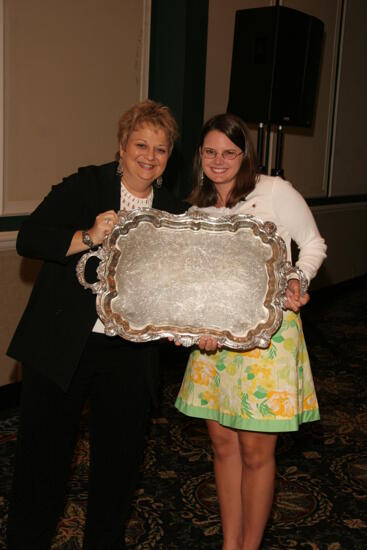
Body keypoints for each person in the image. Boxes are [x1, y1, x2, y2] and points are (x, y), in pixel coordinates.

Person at [6, 99, 187, 549]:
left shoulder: (174, 212)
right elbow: (29, 238)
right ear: (121, 147)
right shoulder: (86, 185)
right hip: (64, 345)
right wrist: (87, 236)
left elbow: (180, 286)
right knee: (41, 467)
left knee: (118, 472)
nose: (149, 156)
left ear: (168, 159)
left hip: (129, 354)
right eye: (140, 144)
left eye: (160, 149)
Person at [175, 113, 327, 550]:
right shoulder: (196, 210)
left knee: (257, 453)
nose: (219, 161)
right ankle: (231, 543)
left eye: (229, 152)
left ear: (245, 155)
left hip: (268, 339)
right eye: (210, 151)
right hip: (215, 344)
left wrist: (298, 277)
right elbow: (193, 284)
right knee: (223, 447)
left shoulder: (274, 191)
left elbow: (314, 243)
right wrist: (193, 327)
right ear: (199, 155)